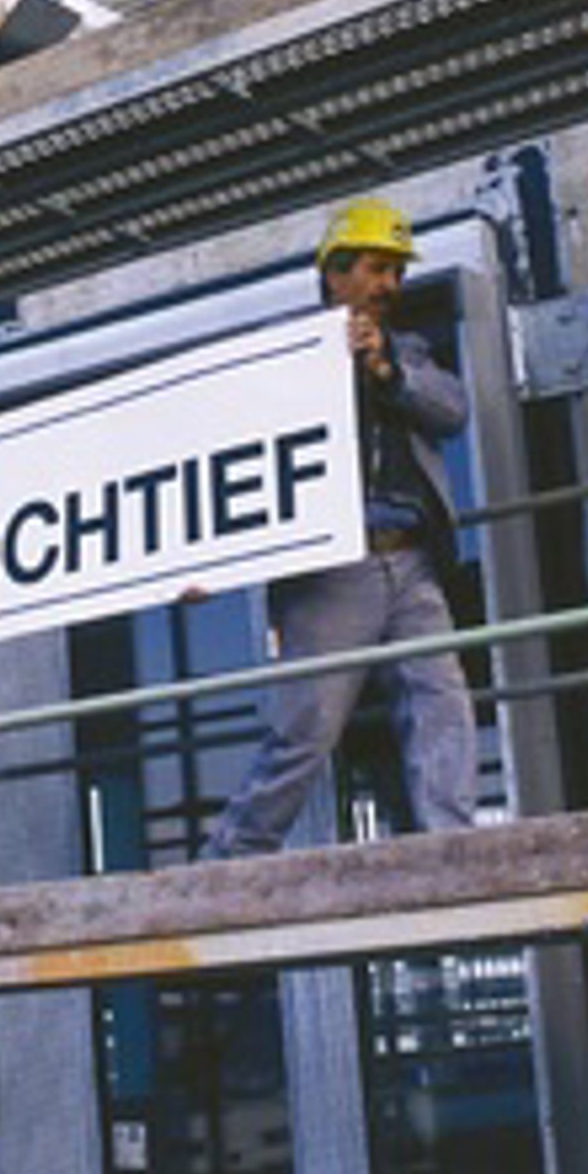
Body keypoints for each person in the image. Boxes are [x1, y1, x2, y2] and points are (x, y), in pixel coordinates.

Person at [203, 197, 479, 858]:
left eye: (396, 271)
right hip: (333, 570)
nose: (390, 285)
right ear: (335, 274)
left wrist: (386, 370)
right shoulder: (287, 350)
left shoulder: (406, 351)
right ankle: (233, 854)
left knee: (442, 701)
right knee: (309, 725)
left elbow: (452, 410)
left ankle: (455, 849)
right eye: (377, 269)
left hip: (410, 561)